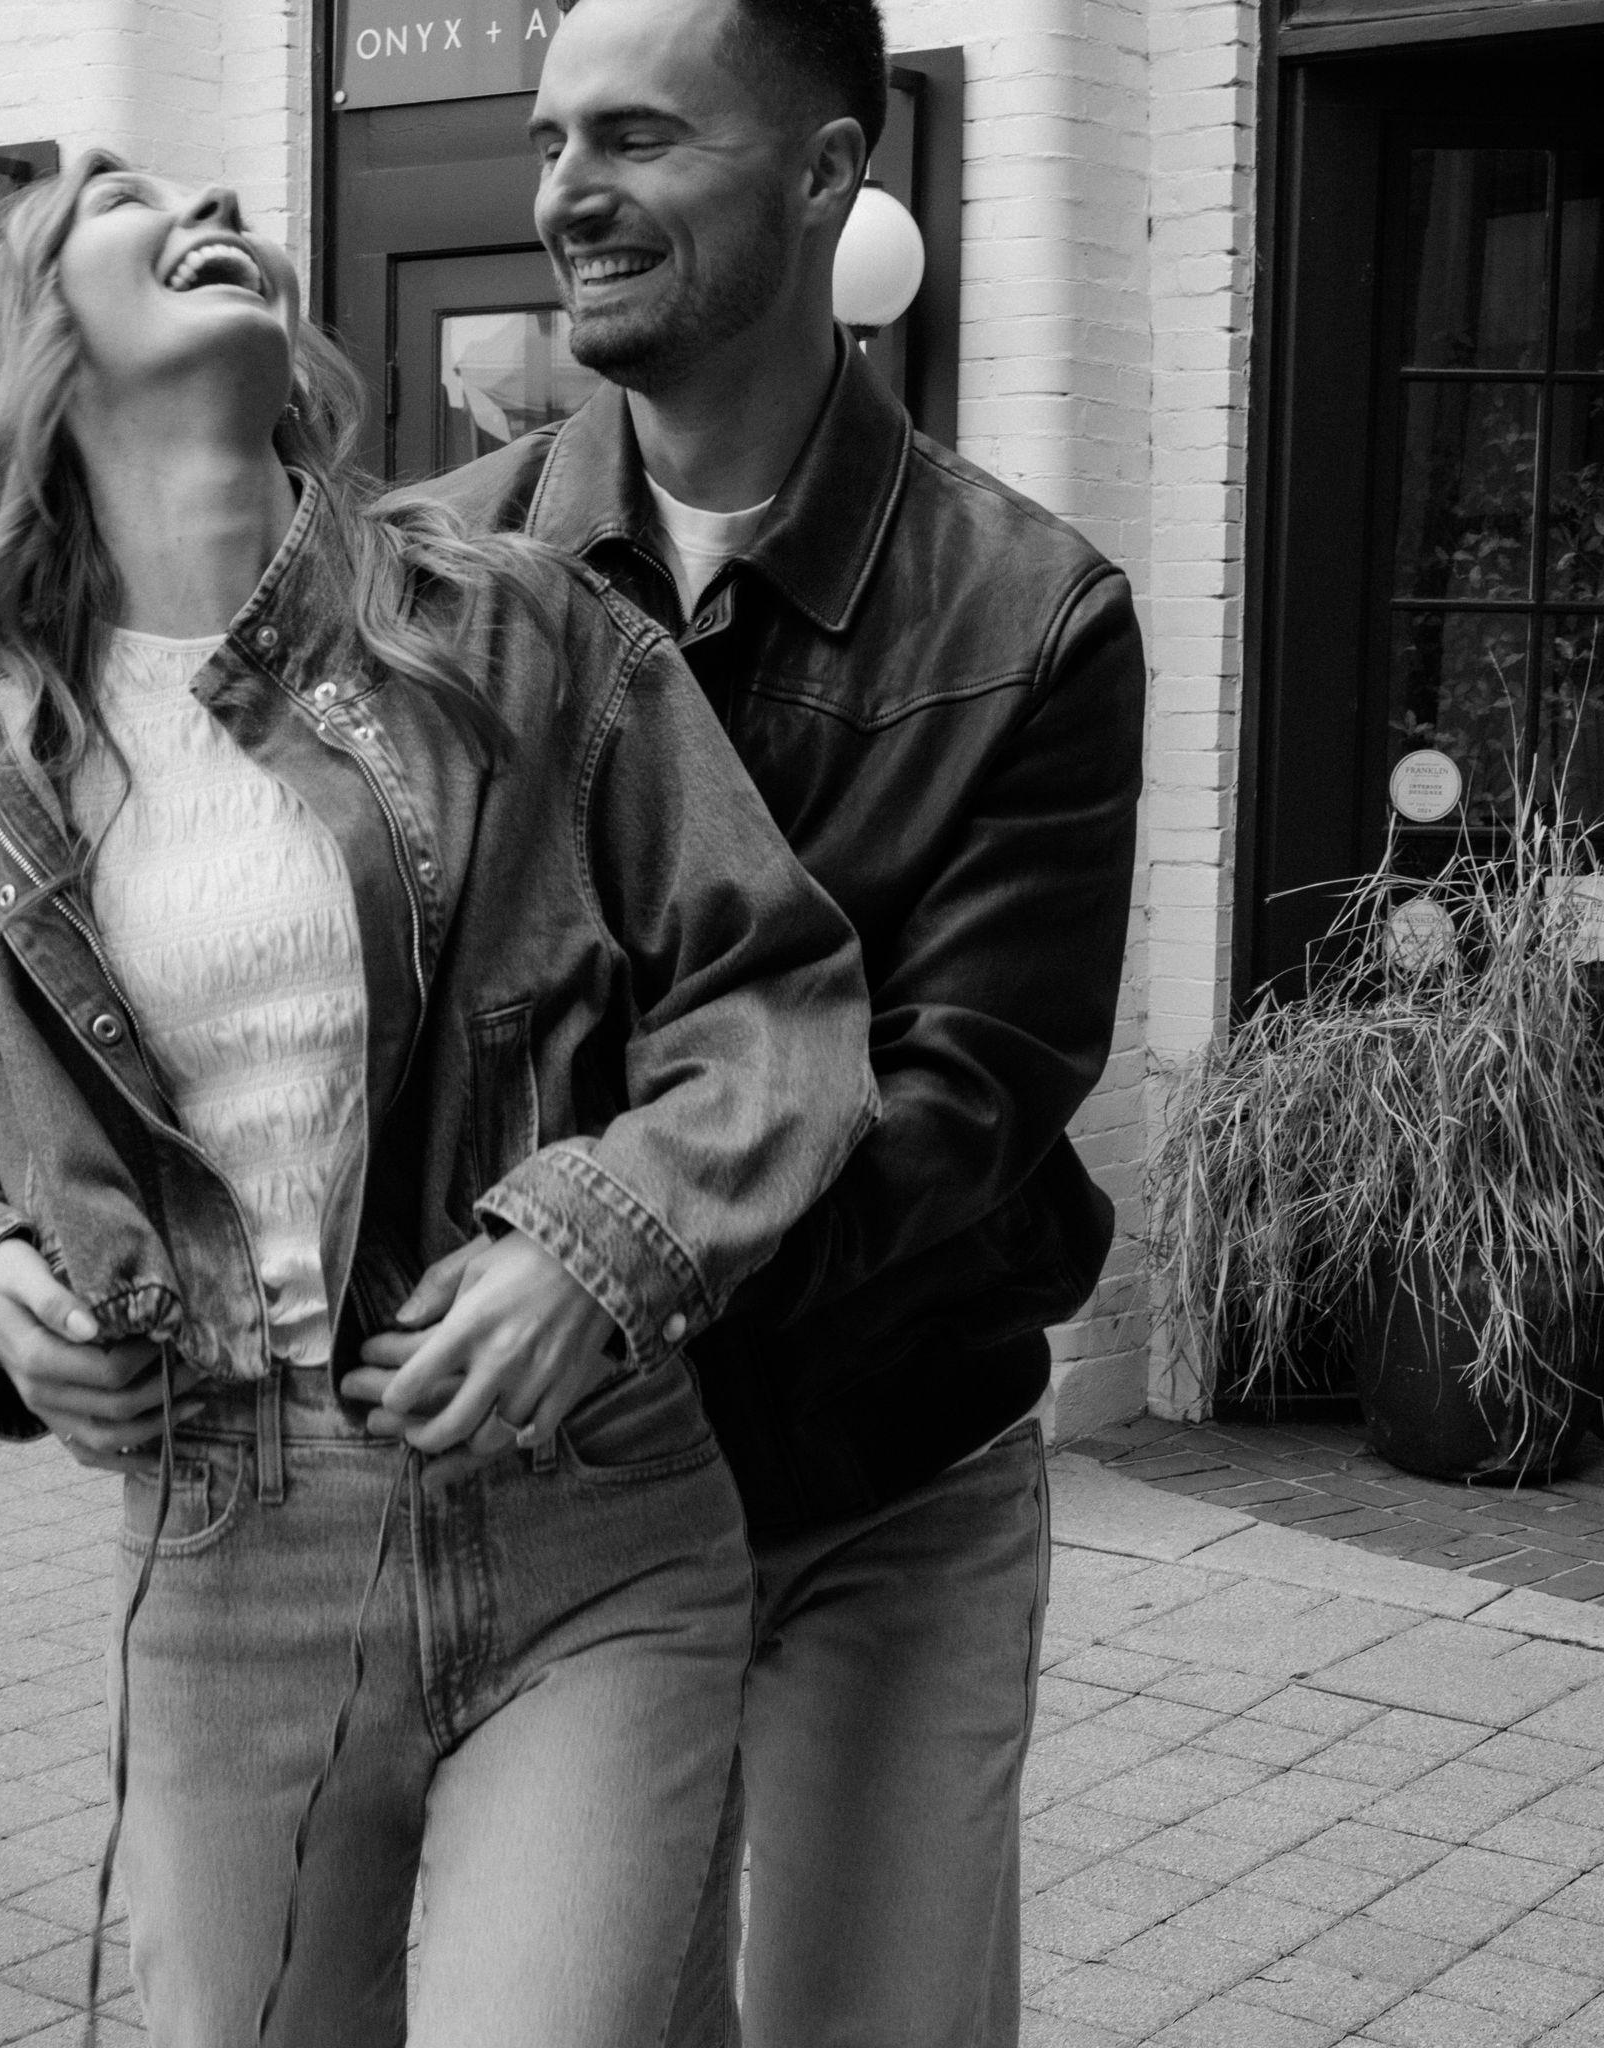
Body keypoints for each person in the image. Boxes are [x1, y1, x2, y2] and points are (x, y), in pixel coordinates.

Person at [0, 152, 878, 2048]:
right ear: (32, 333)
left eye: (204, 188)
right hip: (225, 1549)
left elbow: (775, 996)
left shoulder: (516, 630)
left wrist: (596, 1246)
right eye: (119, 194)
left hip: (586, 1512)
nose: (200, 193)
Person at [417, 2, 1148, 2042]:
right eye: (552, 138)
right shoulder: (433, 571)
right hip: (552, 1491)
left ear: (828, 170)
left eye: (638, 137)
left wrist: (620, 1259)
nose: (568, 191)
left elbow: (960, 1101)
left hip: (880, 1477)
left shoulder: (1032, 614)